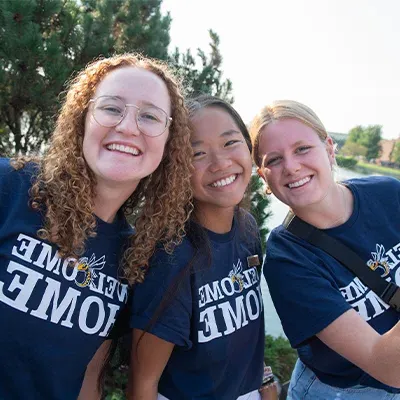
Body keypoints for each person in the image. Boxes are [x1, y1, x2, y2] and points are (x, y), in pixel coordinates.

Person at [0, 53, 193, 400]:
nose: (128, 127)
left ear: (168, 145)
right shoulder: (9, 188)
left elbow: (89, 377)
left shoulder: (133, 257)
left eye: (149, 116)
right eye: (111, 108)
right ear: (82, 119)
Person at [129, 95, 277, 400]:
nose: (221, 163)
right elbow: (143, 382)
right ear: (176, 169)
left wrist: (263, 382)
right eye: (197, 153)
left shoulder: (246, 228)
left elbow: (244, 328)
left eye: (230, 142)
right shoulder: (172, 259)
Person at [249, 99, 400, 399]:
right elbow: (386, 366)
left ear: (329, 148)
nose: (292, 167)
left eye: (302, 149)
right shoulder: (286, 260)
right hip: (348, 391)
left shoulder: (388, 194)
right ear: (264, 178)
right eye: (274, 160)